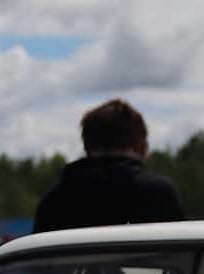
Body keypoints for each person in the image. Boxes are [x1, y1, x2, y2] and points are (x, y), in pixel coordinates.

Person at [31, 98, 184, 233]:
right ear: (140, 145)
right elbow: (180, 258)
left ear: (87, 147)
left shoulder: (53, 203)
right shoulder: (159, 195)